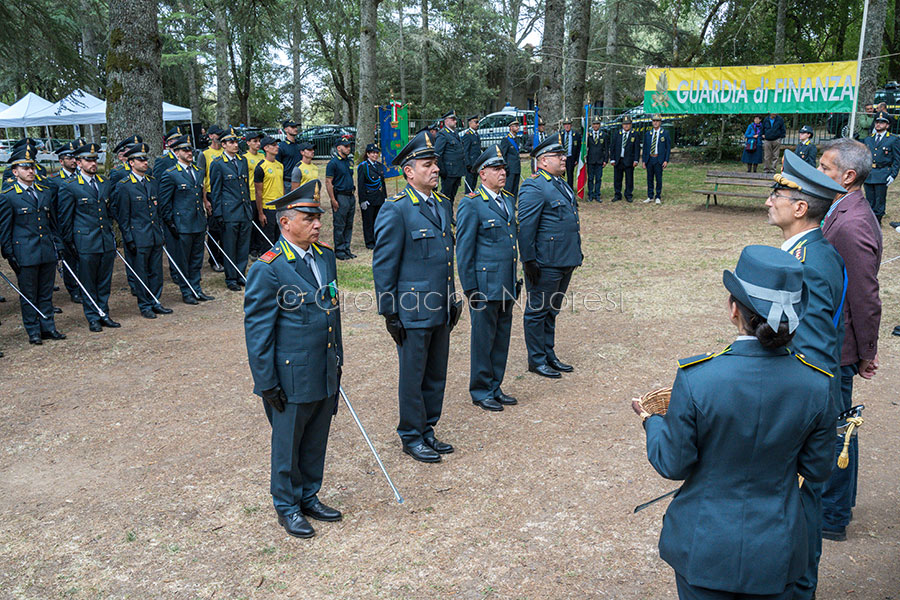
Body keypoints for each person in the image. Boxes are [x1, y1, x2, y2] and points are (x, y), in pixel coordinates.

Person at [633, 244, 834, 600]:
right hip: (778, 546)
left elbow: (673, 462)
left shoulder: (698, 378)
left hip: (704, 544)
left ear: (733, 309)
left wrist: (652, 423)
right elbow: (817, 469)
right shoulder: (817, 384)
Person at [765, 150, 847, 600]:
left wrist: (795, 416)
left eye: (777, 193)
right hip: (803, 396)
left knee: (800, 502)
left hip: (803, 405)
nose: (768, 201)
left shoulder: (811, 262)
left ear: (800, 208)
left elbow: (814, 350)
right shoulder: (805, 251)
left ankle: (799, 588)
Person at [243, 180, 344, 539]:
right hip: (290, 376)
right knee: (287, 445)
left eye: (318, 217)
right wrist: (266, 382)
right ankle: (287, 505)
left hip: (323, 367)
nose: (318, 224)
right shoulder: (268, 269)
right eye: (308, 218)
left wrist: (338, 361)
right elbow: (258, 333)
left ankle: (309, 496)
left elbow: (332, 313)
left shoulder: (325, 257)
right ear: (285, 223)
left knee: (317, 437)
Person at [372, 129, 462, 463]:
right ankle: (411, 435)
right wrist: (390, 313)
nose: (435, 169)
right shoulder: (396, 210)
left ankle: (428, 429)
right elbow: (384, 267)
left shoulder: (441, 203)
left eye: (435, 163)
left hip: (439, 305)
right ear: (409, 172)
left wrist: (452, 296)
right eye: (427, 164)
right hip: (412, 310)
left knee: (436, 372)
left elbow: (445, 257)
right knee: (413, 376)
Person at [817, 138, 883, 542]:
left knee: (839, 430)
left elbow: (864, 294)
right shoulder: (842, 208)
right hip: (836, 343)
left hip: (839, 347)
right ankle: (837, 505)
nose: (818, 172)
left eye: (825, 167)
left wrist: (865, 353)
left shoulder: (854, 221)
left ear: (848, 176)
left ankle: (835, 515)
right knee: (838, 427)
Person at [456, 145, 520, 411]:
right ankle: (481, 389)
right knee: (483, 339)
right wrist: (470, 287)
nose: (502, 173)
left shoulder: (507, 199)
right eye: (496, 169)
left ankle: (495, 385)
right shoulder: (472, 204)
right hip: (484, 286)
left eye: (503, 168)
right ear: (482, 174)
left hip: (505, 282)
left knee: (501, 336)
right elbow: (464, 249)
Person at [518, 133, 582, 378]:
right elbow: (526, 227)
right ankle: (536, 359)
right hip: (545, 261)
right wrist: (529, 260)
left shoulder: (560, 183)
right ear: (543, 161)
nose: (564, 158)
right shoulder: (535, 186)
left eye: (563, 154)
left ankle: (548, 353)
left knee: (551, 310)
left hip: (565, 259)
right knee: (537, 311)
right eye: (558, 155)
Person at [0, 147, 66, 345]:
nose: (30, 171)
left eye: (32, 167)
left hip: (46, 249)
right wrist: (9, 254)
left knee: (45, 292)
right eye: (25, 167)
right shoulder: (8, 196)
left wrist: (58, 245)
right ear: (15, 171)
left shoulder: (43, 192)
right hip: (24, 252)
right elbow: (5, 230)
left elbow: (52, 223)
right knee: (29, 294)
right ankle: (33, 330)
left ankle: (48, 326)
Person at [57, 143, 120, 332]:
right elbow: (65, 220)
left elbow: (108, 213)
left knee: (104, 281)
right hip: (85, 242)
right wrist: (71, 244)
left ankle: (104, 313)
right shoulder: (70, 187)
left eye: (94, 159)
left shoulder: (104, 183)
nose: (93, 163)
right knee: (88, 282)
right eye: (88, 159)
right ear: (78, 162)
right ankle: (92, 316)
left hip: (104, 241)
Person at [113, 142, 173, 319]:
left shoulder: (151, 182)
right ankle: (144, 304)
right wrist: (128, 237)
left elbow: (158, 210)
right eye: (140, 160)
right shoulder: (124, 185)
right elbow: (122, 214)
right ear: (131, 162)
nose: (145, 163)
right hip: (137, 236)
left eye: (145, 159)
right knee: (141, 272)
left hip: (153, 234)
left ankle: (155, 300)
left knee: (156, 271)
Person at [158, 135, 215, 305]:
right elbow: (165, 203)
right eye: (185, 150)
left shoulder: (197, 171)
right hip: (181, 224)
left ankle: (196, 288)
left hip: (197, 222)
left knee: (197, 259)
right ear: (176, 153)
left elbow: (198, 196)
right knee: (183, 260)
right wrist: (171, 223)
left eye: (190, 149)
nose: (189, 153)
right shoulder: (170, 174)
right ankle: (186, 291)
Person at [209, 126, 253, 291]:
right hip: (229, 212)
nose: (235, 145)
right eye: (231, 142)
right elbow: (216, 191)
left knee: (243, 245)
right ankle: (231, 278)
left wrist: (248, 207)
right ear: (223, 144)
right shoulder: (218, 164)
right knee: (230, 246)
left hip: (243, 210)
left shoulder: (242, 161)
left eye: (236, 141)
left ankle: (241, 274)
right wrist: (219, 214)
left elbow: (245, 187)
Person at [46, 140, 82, 304]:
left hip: (82, 226)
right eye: (69, 158)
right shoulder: (54, 181)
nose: (74, 160)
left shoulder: (82, 177)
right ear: (61, 161)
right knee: (69, 260)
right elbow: (52, 209)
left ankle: (83, 287)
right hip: (63, 226)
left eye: (76, 157)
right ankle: (73, 289)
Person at [862, 111, 900, 223]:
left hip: (883, 172)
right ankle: (869, 220)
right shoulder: (868, 139)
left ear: (887, 125)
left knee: (879, 201)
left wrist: (893, 175)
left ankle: (877, 221)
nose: (878, 124)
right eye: (877, 122)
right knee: (869, 200)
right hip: (869, 173)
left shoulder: (893, 139)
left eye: (882, 122)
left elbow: (897, 159)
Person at [324, 137, 356, 260]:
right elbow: (328, 182)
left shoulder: (349, 161)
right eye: (346, 146)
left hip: (350, 195)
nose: (349, 148)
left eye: (349, 146)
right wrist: (333, 199)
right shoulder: (333, 163)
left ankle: (347, 248)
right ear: (339, 148)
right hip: (340, 196)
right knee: (340, 224)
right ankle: (340, 250)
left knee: (349, 224)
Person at [253, 136, 284, 250]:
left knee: (280, 237)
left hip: (280, 207)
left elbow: (281, 187)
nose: (277, 147)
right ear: (266, 148)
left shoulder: (280, 165)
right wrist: (260, 213)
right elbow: (258, 192)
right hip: (268, 208)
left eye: (277, 144)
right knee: (267, 240)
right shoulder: (261, 167)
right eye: (274, 145)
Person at [203, 125, 225, 273]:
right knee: (214, 230)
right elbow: (202, 178)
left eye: (220, 134)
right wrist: (205, 200)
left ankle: (223, 258)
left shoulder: (226, 152)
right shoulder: (205, 154)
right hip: (211, 194)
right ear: (210, 136)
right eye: (216, 134)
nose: (218, 136)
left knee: (226, 229)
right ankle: (213, 259)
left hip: (226, 195)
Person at [356, 143, 387, 249]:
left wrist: (385, 197)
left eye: (376, 153)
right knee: (368, 222)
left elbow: (382, 183)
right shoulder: (363, 166)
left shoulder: (379, 165)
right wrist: (362, 200)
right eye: (372, 153)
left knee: (378, 221)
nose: (375, 155)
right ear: (368, 154)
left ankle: (378, 240)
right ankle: (369, 242)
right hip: (369, 198)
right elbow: (361, 184)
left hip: (379, 197)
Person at [434, 110, 465, 208]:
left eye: (455, 120)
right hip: (448, 172)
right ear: (446, 121)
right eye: (453, 119)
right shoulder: (442, 134)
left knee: (452, 196)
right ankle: (445, 216)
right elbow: (438, 154)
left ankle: (450, 216)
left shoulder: (455, 134)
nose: (455, 122)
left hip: (457, 171)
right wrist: (443, 171)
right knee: (445, 197)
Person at [243, 130, 267, 257]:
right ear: (248, 143)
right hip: (250, 194)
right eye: (255, 141)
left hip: (262, 194)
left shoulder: (262, 156)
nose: (258, 144)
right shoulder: (244, 158)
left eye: (259, 141)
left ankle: (260, 245)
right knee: (252, 222)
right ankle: (252, 248)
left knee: (261, 221)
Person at [609, 115, 640, 202]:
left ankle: (628, 194)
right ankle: (617, 194)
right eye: (624, 124)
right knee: (617, 179)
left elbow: (637, 148)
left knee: (629, 179)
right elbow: (613, 147)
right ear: (622, 125)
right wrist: (612, 158)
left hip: (629, 160)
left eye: (628, 124)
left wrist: (636, 160)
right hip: (619, 160)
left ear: (631, 125)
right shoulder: (617, 134)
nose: (626, 125)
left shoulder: (635, 134)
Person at [642, 114, 671, 204]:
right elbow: (645, 148)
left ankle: (658, 196)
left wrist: (666, 160)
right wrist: (643, 160)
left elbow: (668, 148)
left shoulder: (665, 133)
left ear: (660, 122)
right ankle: (650, 196)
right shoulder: (648, 134)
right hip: (650, 158)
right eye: (654, 121)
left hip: (659, 159)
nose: (655, 123)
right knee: (649, 178)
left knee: (658, 178)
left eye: (657, 121)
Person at [276, 120, 302, 195]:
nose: (296, 129)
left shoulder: (299, 145)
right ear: (286, 129)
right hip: (287, 182)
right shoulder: (281, 147)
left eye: (296, 127)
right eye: (292, 127)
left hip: (300, 181)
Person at [585, 117, 608, 203]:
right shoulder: (588, 135)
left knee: (598, 178)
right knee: (590, 178)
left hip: (599, 160)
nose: (595, 126)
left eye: (597, 124)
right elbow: (585, 147)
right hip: (590, 160)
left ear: (600, 125)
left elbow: (606, 148)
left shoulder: (604, 135)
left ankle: (597, 194)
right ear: (592, 125)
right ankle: (590, 194)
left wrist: (605, 160)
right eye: (594, 124)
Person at [499, 119, 522, 198]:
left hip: (516, 167)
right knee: (509, 187)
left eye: (518, 126)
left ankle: (513, 202)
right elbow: (503, 155)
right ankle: (507, 202)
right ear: (511, 127)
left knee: (515, 187)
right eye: (516, 126)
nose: (518, 128)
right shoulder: (506, 140)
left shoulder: (517, 139)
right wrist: (505, 167)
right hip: (510, 167)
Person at [461, 115, 481, 194]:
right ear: (470, 123)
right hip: (470, 164)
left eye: (478, 122)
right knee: (469, 185)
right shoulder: (468, 135)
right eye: (476, 122)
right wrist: (468, 164)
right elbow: (466, 151)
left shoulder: (476, 135)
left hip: (476, 163)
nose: (478, 124)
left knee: (473, 184)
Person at [562, 119, 581, 188]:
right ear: (563, 126)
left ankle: (570, 189)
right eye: (565, 124)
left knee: (570, 174)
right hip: (562, 159)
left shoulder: (576, 135)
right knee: (561, 174)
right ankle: (562, 189)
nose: (567, 126)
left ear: (571, 125)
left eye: (568, 124)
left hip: (571, 158)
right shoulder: (560, 134)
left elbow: (579, 148)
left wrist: (577, 159)